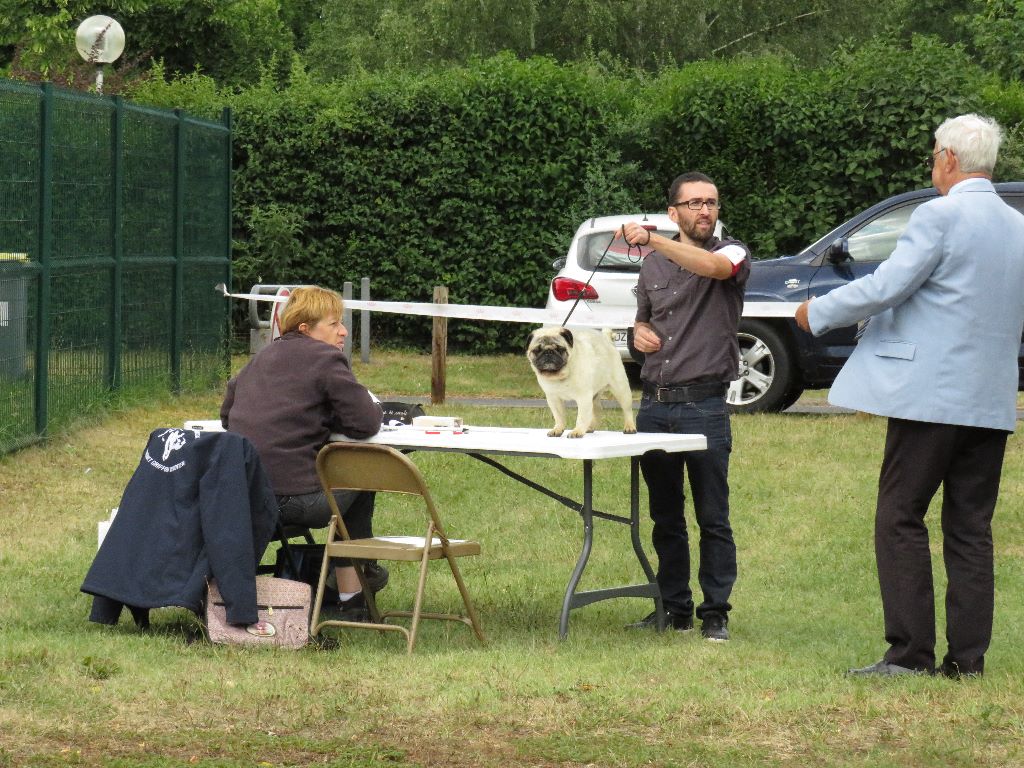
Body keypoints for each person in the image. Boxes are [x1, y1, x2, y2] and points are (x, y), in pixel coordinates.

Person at [795, 114, 1024, 677]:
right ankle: (967, 661)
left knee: (899, 516)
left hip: (930, 398)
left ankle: (909, 655)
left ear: (948, 157)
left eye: (932, 156)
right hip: (990, 399)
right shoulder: (1018, 224)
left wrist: (816, 311)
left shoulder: (939, 214)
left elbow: (888, 285)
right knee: (970, 529)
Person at [620, 171, 751, 641]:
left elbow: (713, 270)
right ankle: (674, 607)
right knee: (665, 517)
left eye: (711, 202)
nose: (705, 210)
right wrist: (638, 339)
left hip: (704, 408)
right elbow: (641, 331)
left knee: (713, 517)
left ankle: (714, 612)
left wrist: (654, 239)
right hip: (654, 406)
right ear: (674, 212)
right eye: (694, 203)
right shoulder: (651, 267)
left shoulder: (732, 252)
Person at [221, 285, 386, 619]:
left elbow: (227, 416)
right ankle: (353, 593)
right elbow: (367, 423)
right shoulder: (326, 358)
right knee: (360, 478)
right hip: (297, 500)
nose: (343, 332)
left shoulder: (259, 359)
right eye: (333, 324)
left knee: (345, 485)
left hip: (247, 497)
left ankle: (350, 585)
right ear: (305, 329)